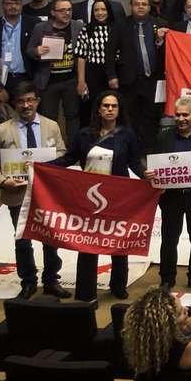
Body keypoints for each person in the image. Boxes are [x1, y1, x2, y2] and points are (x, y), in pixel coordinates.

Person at [47, 90, 143, 302]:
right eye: (105, 106)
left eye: (114, 106)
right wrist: (41, 167)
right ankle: (85, 289)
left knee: (118, 241)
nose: (109, 109)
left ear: (119, 110)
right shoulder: (84, 134)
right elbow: (69, 159)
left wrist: (148, 178)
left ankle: (118, 285)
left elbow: (135, 163)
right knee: (88, 242)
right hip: (89, 198)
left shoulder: (127, 134)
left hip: (119, 196)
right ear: (98, 109)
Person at [0, 81, 70, 299]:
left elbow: (62, 153)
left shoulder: (51, 126)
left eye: (30, 100)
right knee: (22, 240)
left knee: (50, 238)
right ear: (14, 104)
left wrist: (50, 166)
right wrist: (2, 181)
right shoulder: (1, 131)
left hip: (47, 194)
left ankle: (51, 280)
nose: (26, 105)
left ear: (37, 101)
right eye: (20, 101)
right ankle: (28, 281)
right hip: (16, 194)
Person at [150, 96, 191, 293]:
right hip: (172, 197)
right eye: (177, 114)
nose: (181, 119)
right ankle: (166, 279)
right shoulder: (164, 136)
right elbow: (156, 163)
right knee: (169, 238)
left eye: (185, 115)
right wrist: (151, 173)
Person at [106, 0, 167, 152]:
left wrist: (160, 41)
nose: (140, 6)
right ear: (131, 6)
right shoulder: (120, 25)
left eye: (144, 4)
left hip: (153, 81)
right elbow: (110, 52)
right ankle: (131, 152)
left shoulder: (159, 24)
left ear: (149, 7)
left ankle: (149, 153)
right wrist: (112, 76)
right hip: (129, 80)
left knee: (152, 119)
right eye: (137, 4)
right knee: (130, 118)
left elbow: (169, 54)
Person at [27, 0, 84, 146]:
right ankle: (51, 150)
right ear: (53, 12)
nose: (67, 13)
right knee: (48, 117)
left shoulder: (77, 26)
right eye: (62, 10)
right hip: (48, 81)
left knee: (72, 116)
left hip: (71, 80)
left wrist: (81, 80)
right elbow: (29, 50)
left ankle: (74, 149)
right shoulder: (41, 28)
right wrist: (37, 51)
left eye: (69, 10)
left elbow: (83, 53)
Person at [75, 0, 114, 121]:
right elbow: (81, 56)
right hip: (93, 74)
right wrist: (81, 81)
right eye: (96, 10)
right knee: (93, 109)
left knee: (111, 107)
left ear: (108, 11)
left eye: (103, 9)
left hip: (112, 74)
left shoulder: (115, 29)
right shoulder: (86, 29)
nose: (100, 13)